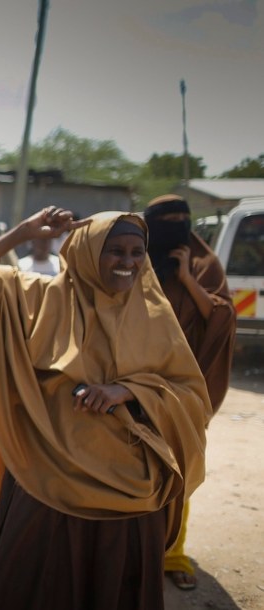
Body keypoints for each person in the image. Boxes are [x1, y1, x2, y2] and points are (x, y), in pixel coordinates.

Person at [0, 208, 211, 609]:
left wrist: (129, 391)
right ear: (84, 251)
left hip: (128, 490)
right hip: (48, 479)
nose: (128, 262)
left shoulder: (155, 313)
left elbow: (190, 395)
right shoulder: (39, 298)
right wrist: (21, 234)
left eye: (138, 252)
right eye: (114, 251)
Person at [144, 194, 237, 591]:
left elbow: (221, 315)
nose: (176, 224)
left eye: (183, 218)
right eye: (167, 220)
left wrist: (185, 277)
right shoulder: (136, 257)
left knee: (179, 472)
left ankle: (173, 555)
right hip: (138, 384)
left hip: (185, 389)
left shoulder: (203, 264)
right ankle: (141, 549)